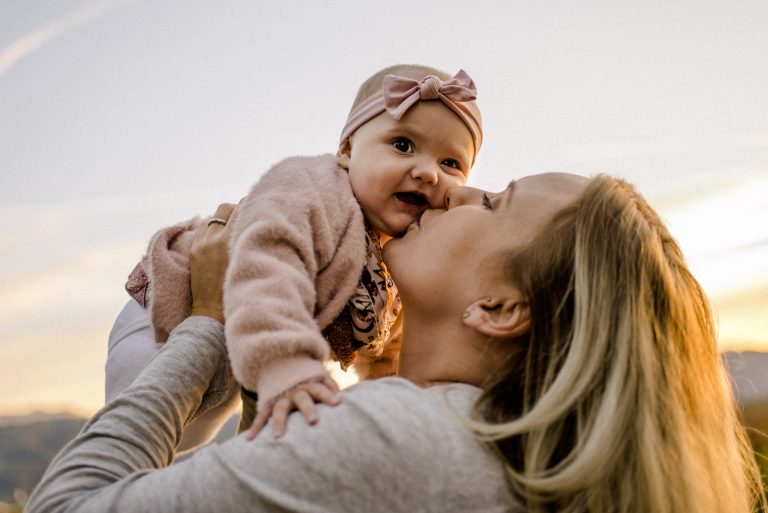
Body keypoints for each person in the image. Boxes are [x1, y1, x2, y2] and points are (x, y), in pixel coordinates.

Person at [28, 174, 764, 513]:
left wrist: (213, 318)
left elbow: (64, 505)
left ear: (499, 308)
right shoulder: (481, 452)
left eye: (494, 202)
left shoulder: (408, 439)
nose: (454, 190)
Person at [108, 63, 482, 439]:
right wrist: (287, 368)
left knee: (192, 440)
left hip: (245, 347)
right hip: (167, 321)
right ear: (347, 150)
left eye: (450, 163)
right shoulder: (310, 190)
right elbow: (268, 274)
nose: (428, 172)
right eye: (402, 145)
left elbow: (387, 346)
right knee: (143, 434)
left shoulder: (401, 254)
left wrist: (393, 395)